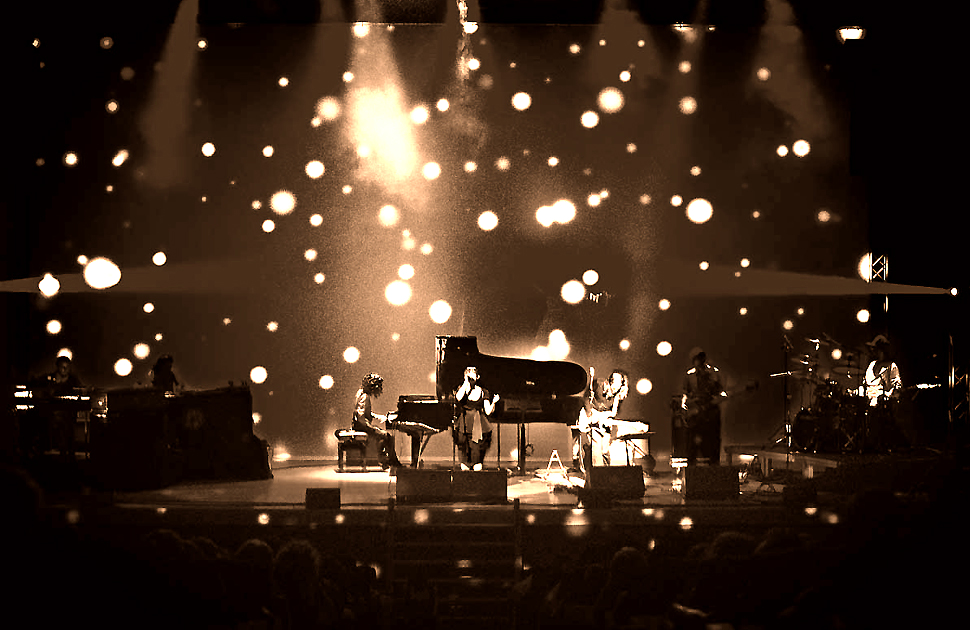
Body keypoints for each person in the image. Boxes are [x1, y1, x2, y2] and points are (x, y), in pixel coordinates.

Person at [575, 367, 629, 472]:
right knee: (595, 447)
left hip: (603, 421)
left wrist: (603, 415)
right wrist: (590, 413)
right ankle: (595, 473)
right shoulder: (599, 383)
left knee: (605, 449)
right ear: (610, 381)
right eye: (614, 384)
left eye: (619, 386)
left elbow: (613, 412)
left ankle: (606, 473)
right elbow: (586, 398)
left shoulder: (617, 395)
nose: (615, 388)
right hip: (591, 416)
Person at [681, 348, 726, 466]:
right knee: (692, 445)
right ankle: (692, 469)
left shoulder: (713, 373)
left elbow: (721, 393)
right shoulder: (689, 375)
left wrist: (712, 401)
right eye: (696, 359)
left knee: (713, 443)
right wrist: (687, 409)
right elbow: (685, 394)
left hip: (711, 413)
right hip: (695, 414)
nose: (699, 361)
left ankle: (713, 467)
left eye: (701, 358)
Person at [352, 373, 402, 470]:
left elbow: (365, 412)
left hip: (360, 425)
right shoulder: (364, 397)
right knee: (387, 436)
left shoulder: (361, 393)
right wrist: (371, 428)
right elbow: (361, 417)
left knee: (383, 436)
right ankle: (391, 462)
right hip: (361, 426)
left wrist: (378, 417)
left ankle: (384, 460)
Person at [454, 366, 499, 471]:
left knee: (476, 456)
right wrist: (466, 383)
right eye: (468, 372)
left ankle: (477, 482)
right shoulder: (462, 388)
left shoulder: (483, 392)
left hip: (478, 425)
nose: (470, 374)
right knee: (464, 454)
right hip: (463, 424)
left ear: (478, 377)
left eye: (472, 372)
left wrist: (494, 402)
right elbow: (458, 398)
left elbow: (488, 411)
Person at [864, 335, 902, 407]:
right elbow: (865, 384)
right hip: (868, 403)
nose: (873, 352)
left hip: (882, 406)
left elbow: (897, 388)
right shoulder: (872, 365)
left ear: (883, 351)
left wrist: (885, 396)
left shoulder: (891, 366)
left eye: (876, 350)